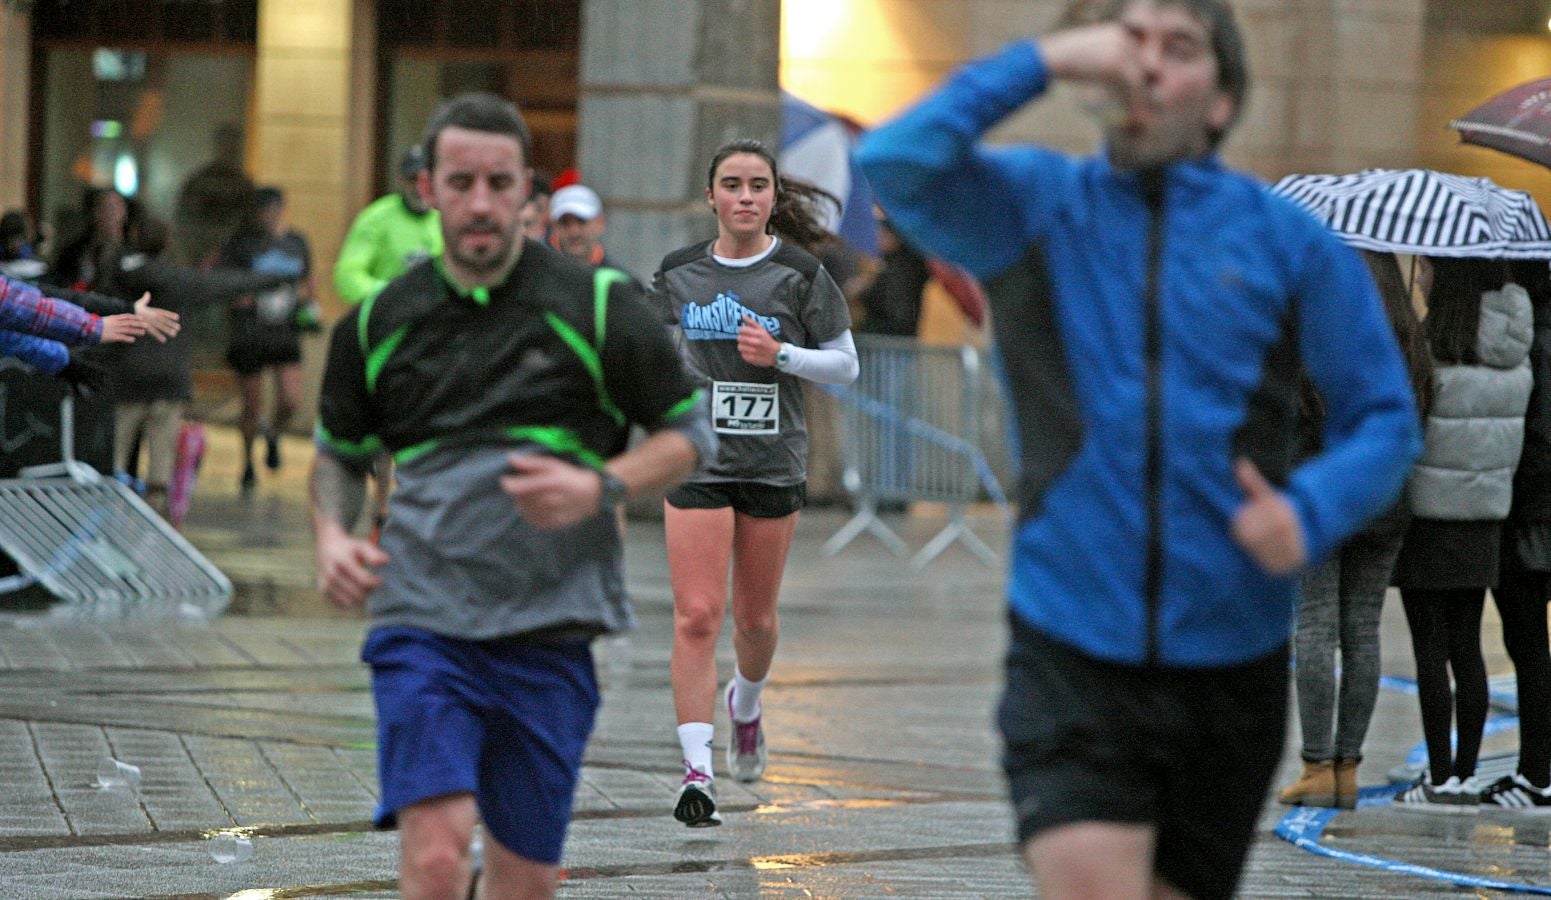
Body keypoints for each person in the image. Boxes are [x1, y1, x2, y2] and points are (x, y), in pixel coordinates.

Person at [855, 1, 1422, 896]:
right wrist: (1046, 58)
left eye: (1179, 48)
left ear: (1224, 100)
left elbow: (1386, 416)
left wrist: (1308, 514)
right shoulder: (1034, 207)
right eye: (1128, 43)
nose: (1145, 65)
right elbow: (894, 160)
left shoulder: (1288, 243)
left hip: (1230, 667)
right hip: (1070, 646)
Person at [310, 91, 710, 899]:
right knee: (434, 855)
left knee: (524, 882)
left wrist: (599, 484)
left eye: (499, 183)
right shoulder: (376, 324)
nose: (481, 203)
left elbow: (689, 435)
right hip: (422, 623)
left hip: (549, 632)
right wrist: (329, 534)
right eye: (461, 183)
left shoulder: (598, 308)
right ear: (427, 189)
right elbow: (338, 456)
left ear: (528, 188)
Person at [654, 138, 858, 827]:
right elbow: (651, 353)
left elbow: (845, 365)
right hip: (699, 462)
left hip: (772, 462)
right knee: (696, 615)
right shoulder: (678, 272)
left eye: (757, 186)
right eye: (731, 185)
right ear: (710, 196)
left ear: (773, 198)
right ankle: (696, 773)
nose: (744, 197)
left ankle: (746, 700)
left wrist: (782, 355)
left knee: (754, 621)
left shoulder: (800, 274)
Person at [1277, 250, 1433, 811]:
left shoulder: (1317, 330)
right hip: (1387, 502)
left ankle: (1317, 766)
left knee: (1315, 626)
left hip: (1322, 497)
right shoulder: (1413, 341)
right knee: (1361, 629)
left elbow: (1290, 422)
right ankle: (1348, 766)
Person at [1392, 256, 1534, 811]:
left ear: (1445, 278)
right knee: (1468, 646)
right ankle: (1470, 774)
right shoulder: (1513, 354)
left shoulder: (1428, 354)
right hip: (1484, 518)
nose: (1420, 274)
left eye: (1426, 267)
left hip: (1428, 518)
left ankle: (1441, 778)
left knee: (1430, 650)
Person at [106, 217, 284, 516]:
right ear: (166, 244)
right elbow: (224, 284)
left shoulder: (115, 275)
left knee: (113, 459)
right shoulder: (179, 280)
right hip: (168, 381)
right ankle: (156, 520)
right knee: (160, 467)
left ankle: (104, 518)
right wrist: (273, 278)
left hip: (126, 377)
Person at [1484, 259, 1551, 811]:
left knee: (1527, 648)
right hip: (1535, 514)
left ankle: (1536, 772)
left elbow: (1532, 440)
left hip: (1526, 519)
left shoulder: (1529, 346)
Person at [221, 185, 315, 492]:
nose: (268, 215)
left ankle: (273, 434)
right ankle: (248, 461)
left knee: (291, 399)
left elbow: (308, 278)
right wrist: (239, 299)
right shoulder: (243, 243)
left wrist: (311, 305)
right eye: (263, 210)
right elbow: (223, 280)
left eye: (273, 209)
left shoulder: (296, 241)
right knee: (252, 403)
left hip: (285, 329)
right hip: (251, 332)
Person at [333, 146, 443, 306]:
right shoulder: (376, 218)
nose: (420, 188)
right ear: (401, 179)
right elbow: (348, 275)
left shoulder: (448, 217)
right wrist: (391, 294)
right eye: (413, 179)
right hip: (391, 318)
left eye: (426, 180)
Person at [174, 123, 255, 268]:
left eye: (234, 145)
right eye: (226, 144)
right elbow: (185, 221)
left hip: (235, 259)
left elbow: (251, 224)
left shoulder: (244, 185)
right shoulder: (200, 182)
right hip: (201, 256)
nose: (230, 149)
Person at [548, 184, 639, 285]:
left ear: (600, 223)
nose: (574, 232)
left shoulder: (622, 282)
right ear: (554, 227)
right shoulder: (541, 280)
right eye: (565, 223)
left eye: (582, 221)